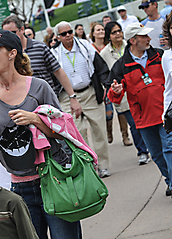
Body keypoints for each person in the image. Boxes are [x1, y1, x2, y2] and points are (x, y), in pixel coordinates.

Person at [0, 30, 84, 238]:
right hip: (19, 187)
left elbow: (62, 132)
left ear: (12, 53)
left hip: (53, 179)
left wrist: (35, 119)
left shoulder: (38, 87)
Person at [109, 22, 172, 196]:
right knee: (157, 155)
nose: (149, 38)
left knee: (169, 148)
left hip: (166, 113)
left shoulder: (160, 55)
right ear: (133, 41)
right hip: (143, 119)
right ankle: (170, 181)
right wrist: (116, 91)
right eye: (144, 36)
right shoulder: (121, 66)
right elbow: (113, 95)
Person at [51, 21, 111, 178]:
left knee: (99, 130)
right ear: (58, 37)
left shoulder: (85, 45)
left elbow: (101, 67)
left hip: (90, 92)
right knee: (77, 133)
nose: (68, 35)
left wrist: (106, 86)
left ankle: (103, 165)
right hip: (68, 97)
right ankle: (89, 166)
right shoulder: (54, 53)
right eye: (64, 34)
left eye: (70, 32)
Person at [1, 15, 83, 118]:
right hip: (25, 108)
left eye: (13, 33)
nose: (9, 37)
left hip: (48, 103)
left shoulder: (40, 47)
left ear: (22, 29)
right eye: (6, 34)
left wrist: (72, 96)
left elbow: (58, 71)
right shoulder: (7, 55)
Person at [100, 22, 149, 164]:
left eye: (119, 31)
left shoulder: (131, 45)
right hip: (122, 95)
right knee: (134, 124)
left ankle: (149, 145)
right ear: (109, 36)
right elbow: (104, 75)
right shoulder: (104, 54)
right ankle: (142, 151)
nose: (118, 34)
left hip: (138, 90)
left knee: (145, 120)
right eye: (114, 32)